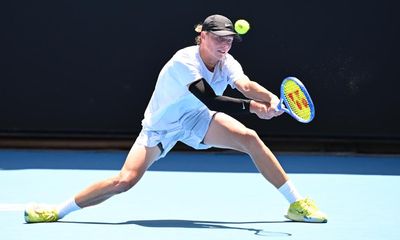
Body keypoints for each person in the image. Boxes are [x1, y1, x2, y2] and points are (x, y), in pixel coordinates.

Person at [24, 14, 327, 223]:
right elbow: (209, 97)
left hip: (196, 119)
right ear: (202, 36)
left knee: (250, 138)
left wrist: (270, 98)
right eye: (219, 39)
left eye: (229, 40)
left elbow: (244, 85)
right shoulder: (184, 61)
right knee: (124, 181)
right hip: (160, 128)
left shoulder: (227, 61)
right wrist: (253, 108)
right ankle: (56, 210)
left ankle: (296, 204)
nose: (224, 45)